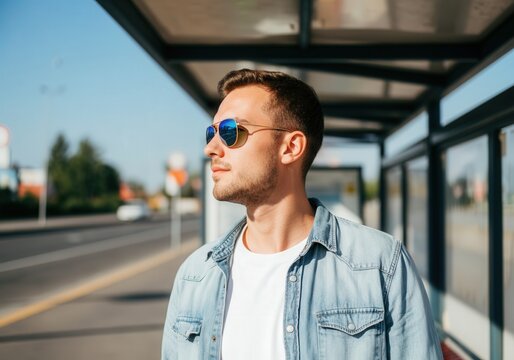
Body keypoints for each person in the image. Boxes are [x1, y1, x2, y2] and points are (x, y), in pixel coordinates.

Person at [161, 69, 442, 360]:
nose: (211, 148)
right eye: (212, 132)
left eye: (231, 132)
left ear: (291, 147)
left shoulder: (380, 263)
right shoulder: (194, 275)